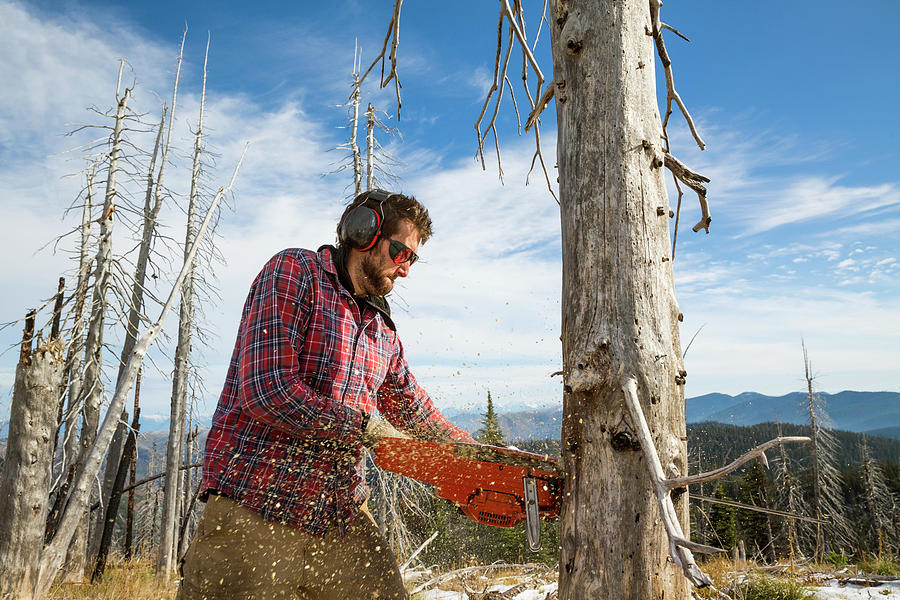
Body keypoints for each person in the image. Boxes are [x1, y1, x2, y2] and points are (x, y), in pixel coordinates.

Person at [177, 189, 473, 600]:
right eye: (401, 253)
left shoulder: (381, 329)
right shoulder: (295, 273)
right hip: (256, 506)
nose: (405, 270)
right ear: (364, 232)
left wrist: (479, 458)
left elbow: (414, 408)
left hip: (337, 515)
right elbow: (268, 390)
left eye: (413, 260)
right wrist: (365, 429)